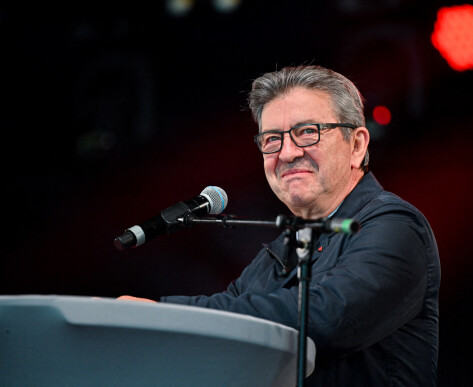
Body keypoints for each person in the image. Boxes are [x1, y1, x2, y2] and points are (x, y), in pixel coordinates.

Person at [120, 65, 441, 386]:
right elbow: (225, 335)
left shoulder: (395, 225)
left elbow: (327, 316)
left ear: (356, 146)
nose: (287, 153)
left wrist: (165, 315)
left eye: (307, 132)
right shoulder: (279, 252)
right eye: (272, 139)